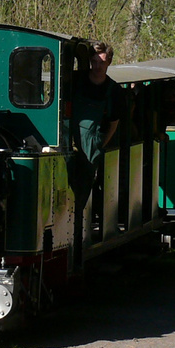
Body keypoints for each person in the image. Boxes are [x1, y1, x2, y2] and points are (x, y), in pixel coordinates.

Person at [69, 40, 124, 222]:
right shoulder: (76, 81)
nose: (98, 66)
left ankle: (76, 221)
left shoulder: (114, 90)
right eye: (94, 62)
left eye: (102, 62)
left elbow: (114, 122)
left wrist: (100, 145)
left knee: (83, 185)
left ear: (109, 62)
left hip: (92, 142)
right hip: (69, 136)